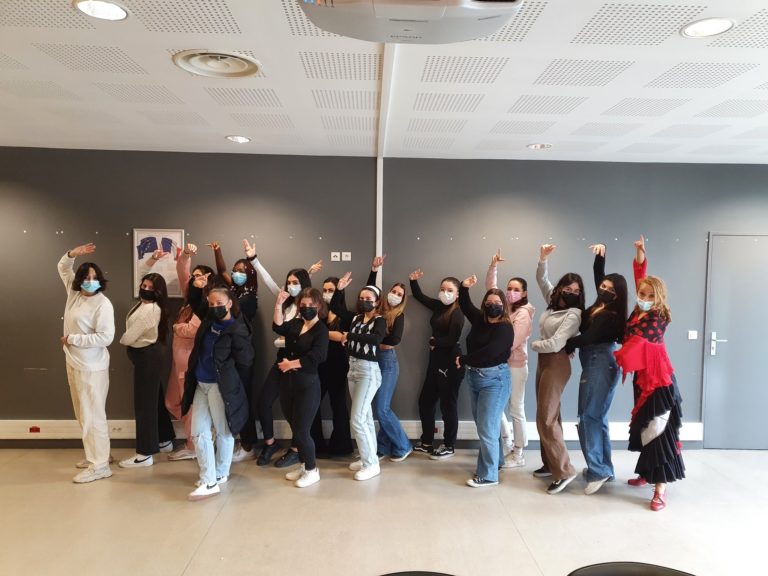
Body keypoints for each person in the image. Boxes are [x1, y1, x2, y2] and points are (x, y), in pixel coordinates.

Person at [615, 236, 685, 511]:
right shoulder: (638, 311)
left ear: (659, 298)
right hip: (642, 382)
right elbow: (640, 274)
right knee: (645, 427)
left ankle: (660, 490)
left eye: (650, 296)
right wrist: (640, 252)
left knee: (659, 431)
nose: (644, 298)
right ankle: (646, 473)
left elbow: (636, 346)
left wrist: (614, 358)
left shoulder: (658, 317)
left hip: (659, 383)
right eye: (642, 294)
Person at [250, 245, 322, 467]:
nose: (291, 286)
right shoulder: (287, 301)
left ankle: (296, 450)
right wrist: (253, 259)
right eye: (289, 282)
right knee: (265, 402)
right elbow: (269, 282)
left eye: (295, 282)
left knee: (299, 413)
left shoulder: (311, 310)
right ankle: (270, 443)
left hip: (301, 365)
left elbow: (311, 343)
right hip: (282, 360)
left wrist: (308, 273)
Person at [564, 244, 627, 495]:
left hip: (600, 363)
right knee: (597, 417)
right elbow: (598, 276)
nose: (605, 290)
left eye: (611, 289)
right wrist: (601, 256)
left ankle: (598, 470)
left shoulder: (610, 314)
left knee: (588, 417)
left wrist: (567, 343)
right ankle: (604, 468)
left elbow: (588, 338)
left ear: (618, 295)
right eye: (604, 287)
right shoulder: (601, 304)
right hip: (596, 362)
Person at [183, 285, 254, 500]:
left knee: (223, 431)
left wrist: (231, 381)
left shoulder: (237, 329)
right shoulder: (208, 322)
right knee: (198, 432)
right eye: (211, 303)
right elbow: (194, 301)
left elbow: (246, 361)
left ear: (230, 304)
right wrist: (196, 286)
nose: (215, 307)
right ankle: (211, 476)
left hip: (219, 386)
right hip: (201, 384)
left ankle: (215, 477)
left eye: (219, 304)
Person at [58, 243, 115, 483]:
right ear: (79, 280)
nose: (90, 281)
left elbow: (106, 337)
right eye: (86, 277)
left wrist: (73, 339)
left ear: (99, 280)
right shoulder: (74, 295)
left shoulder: (103, 304)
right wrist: (72, 254)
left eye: (94, 278)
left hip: (92, 367)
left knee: (93, 415)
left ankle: (100, 465)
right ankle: (99, 455)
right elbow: (63, 267)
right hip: (74, 362)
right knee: (83, 413)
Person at [531, 244, 583, 494]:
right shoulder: (553, 304)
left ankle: (564, 471)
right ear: (561, 288)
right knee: (548, 414)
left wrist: (535, 344)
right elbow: (542, 280)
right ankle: (549, 463)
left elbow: (556, 343)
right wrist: (543, 259)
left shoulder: (573, 314)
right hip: (544, 362)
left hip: (557, 363)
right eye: (568, 289)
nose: (572, 293)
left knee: (546, 416)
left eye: (577, 291)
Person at [457, 275, 514, 488]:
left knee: (487, 427)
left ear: (504, 306)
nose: (493, 306)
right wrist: (464, 287)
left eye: (497, 303)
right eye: (489, 302)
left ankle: (488, 475)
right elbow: (465, 304)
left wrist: (464, 359)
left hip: (495, 380)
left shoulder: (505, 328)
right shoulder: (480, 320)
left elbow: (491, 352)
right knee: (487, 425)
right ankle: (497, 462)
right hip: (474, 377)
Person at [158, 243, 212, 462]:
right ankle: (199, 436)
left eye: (200, 276)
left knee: (189, 404)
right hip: (177, 361)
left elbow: (192, 330)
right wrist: (186, 255)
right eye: (194, 276)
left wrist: (176, 328)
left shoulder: (206, 304)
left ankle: (193, 445)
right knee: (172, 402)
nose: (195, 279)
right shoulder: (190, 301)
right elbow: (182, 272)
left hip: (189, 363)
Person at [273, 287, 329, 488]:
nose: (306, 308)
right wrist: (278, 304)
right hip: (288, 383)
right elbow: (278, 327)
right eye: (303, 305)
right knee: (296, 429)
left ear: (318, 306)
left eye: (310, 305)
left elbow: (318, 356)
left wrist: (291, 364)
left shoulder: (321, 330)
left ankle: (312, 471)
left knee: (303, 431)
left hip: (308, 385)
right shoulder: (296, 323)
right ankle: (305, 466)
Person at [119, 271, 175, 468]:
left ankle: (144, 454)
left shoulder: (150, 309)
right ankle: (165, 440)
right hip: (149, 356)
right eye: (144, 286)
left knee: (144, 405)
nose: (146, 289)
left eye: (151, 288)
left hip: (147, 357)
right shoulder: (144, 305)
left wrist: (123, 340)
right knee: (154, 399)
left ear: (159, 292)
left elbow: (128, 337)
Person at [210, 240, 259, 462]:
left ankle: (248, 445)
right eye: (235, 270)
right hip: (230, 353)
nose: (236, 274)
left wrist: (251, 258)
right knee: (233, 397)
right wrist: (218, 251)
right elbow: (221, 271)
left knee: (244, 397)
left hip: (243, 354)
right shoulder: (235, 290)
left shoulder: (249, 296)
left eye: (241, 271)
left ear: (249, 274)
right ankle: (237, 440)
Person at [408, 269, 465, 460]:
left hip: (451, 362)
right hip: (435, 361)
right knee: (425, 401)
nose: (445, 293)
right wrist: (413, 281)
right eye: (442, 289)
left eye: (449, 290)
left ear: (457, 294)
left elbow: (452, 339)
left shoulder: (457, 313)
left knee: (448, 406)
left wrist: (434, 342)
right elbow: (419, 296)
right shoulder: (439, 306)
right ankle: (426, 442)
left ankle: (449, 445)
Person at [335, 273, 387, 480]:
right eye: (362, 298)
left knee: (356, 418)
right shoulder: (356, 318)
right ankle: (369, 457)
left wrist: (349, 336)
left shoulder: (380, 320)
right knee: (364, 418)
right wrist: (340, 290)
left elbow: (376, 339)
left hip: (368, 371)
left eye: (369, 299)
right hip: (353, 367)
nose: (364, 301)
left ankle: (371, 464)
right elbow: (336, 308)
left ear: (377, 301)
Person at [485, 249, 534, 469]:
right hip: (500, 364)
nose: (511, 292)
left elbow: (513, 341)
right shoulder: (506, 308)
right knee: (497, 407)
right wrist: (493, 266)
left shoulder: (523, 313)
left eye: (516, 290)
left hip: (515, 366)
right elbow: (491, 290)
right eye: (509, 288)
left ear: (524, 293)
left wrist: (491, 351)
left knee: (516, 408)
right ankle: (507, 442)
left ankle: (519, 452)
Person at [366, 255, 412, 462]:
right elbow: (369, 291)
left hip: (387, 363)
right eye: (394, 291)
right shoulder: (378, 309)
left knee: (381, 409)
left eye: (400, 294)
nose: (395, 295)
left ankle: (404, 445)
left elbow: (395, 340)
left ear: (403, 299)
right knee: (379, 407)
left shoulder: (398, 316)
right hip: (371, 361)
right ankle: (383, 446)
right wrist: (374, 270)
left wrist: (373, 341)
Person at [310, 276, 354, 457]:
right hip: (319, 364)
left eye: (331, 290)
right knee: (312, 404)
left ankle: (341, 447)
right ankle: (316, 446)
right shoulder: (319, 313)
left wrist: (324, 333)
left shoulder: (346, 315)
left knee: (339, 405)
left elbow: (345, 337)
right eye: (325, 290)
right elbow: (312, 333)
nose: (327, 294)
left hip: (338, 364)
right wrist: (333, 334)